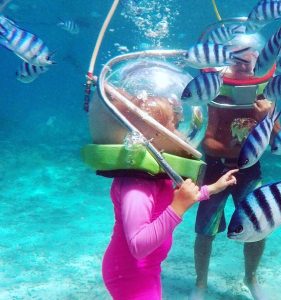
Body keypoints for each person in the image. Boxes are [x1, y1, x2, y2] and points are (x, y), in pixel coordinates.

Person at [86, 65, 240, 300]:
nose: (179, 133)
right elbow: (138, 245)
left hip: (147, 269)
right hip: (128, 274)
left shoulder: (157, 176)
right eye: (172, 126)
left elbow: (179, 197)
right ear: (150, 136)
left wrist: (213, 188)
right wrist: (178, 208)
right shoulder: (136, 186)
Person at [190, 47, 280, 300]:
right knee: (205, 229)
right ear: (229, 65)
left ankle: (251, 278)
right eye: (239, 64)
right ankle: (200, 284)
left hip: (250, 171)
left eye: (250, 65)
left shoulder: (263, 99)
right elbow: (206, 142)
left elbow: (279, 142)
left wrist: (269, 117)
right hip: (216, 170)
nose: (244, 69)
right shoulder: (219, 97)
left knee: (258, 225)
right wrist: (234, 148)